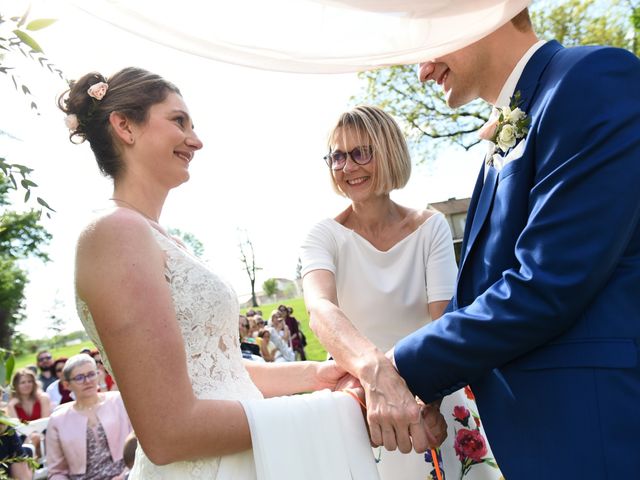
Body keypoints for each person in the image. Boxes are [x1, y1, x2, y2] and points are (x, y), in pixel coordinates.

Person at [62, 67, 445, 478]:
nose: (196, 140)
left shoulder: (162, 240)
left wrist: (318, 374)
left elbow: (216, 372)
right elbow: (168, 432)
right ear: (125, 126)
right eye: (178, 121)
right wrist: (340, 407)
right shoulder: (114, 233)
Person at [362, 8, 640, 479]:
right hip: (541, 439)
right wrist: (420, 386)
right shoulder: (506, 131)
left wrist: (400, 368)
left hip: (595, 432)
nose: (422, 70)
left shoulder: (592, 79)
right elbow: (478, 293)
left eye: (426, 43)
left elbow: (547, 284)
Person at [301, 105, 500, 479]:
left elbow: (443, 320)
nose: (348, 167)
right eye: (338, 156)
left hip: (434, 393)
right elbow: (319, 306)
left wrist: (429, 403)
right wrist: (377, 377)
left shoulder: (432, 226)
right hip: (362, 407)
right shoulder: (323, 235)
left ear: (389, 151)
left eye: (362, 152)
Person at [46, 354, 132, 480]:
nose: (87, 381)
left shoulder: (118, 401)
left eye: (91, 374)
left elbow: (138, 445)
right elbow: (56, 472)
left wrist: (125, 475)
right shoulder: (58, 420)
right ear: (67, 384)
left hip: (126, 475)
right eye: (79, 377)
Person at [7, 368, 51, 459]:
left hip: (44, 433)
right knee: (33, 437)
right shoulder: (12, 404)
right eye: (22, 382)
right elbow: (17, 426)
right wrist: (11, 407)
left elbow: (45, 421)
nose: (27, 385)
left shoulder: (43, 398)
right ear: (16, 385)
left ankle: (25, 462)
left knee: (35, 436)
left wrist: (29, 426)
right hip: (23, 436)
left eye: (29, 381)